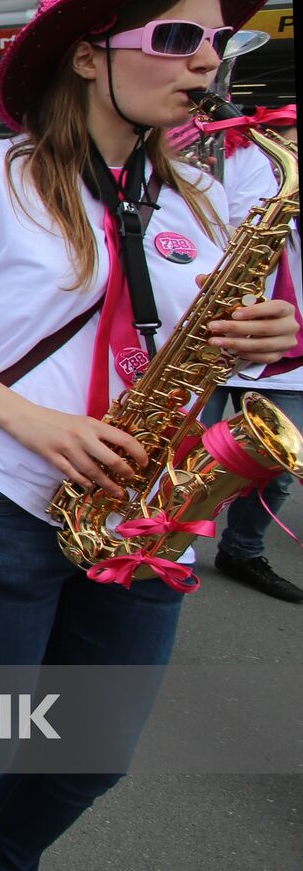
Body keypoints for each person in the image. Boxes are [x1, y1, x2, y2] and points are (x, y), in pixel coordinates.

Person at [0, 0, 295, 871]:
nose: (208, 62)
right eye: (178, 38)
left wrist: (262, 337)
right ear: (90, 57)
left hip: (148, 512)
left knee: (90, 756)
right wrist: (31, 419)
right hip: (3, 499)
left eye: (218, 41)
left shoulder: (198, 198)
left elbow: (194, 335)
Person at [197, 102, 301, 603]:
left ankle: (242, 551)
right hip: (212, 341)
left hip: (289, 358)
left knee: (275, 467)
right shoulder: (231, 164)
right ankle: (155, 543)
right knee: (179, 455)